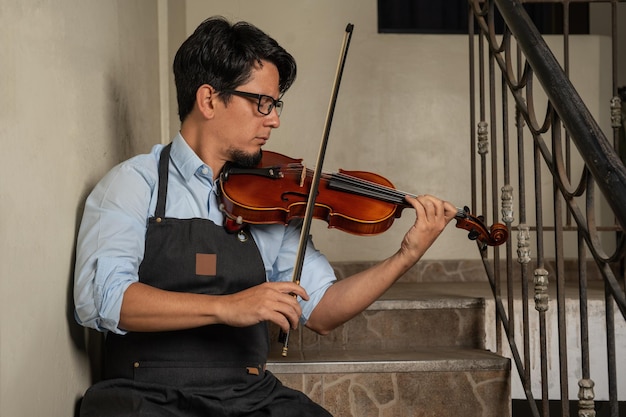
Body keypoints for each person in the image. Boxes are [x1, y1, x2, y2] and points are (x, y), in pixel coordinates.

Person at [74, 16, 457, 417]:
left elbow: (323, 309)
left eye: (275, 105)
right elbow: (103, 299)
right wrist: (228, 307)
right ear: (208, 100)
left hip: (248, 399)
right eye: (262, 103)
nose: (273, 119)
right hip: (146, 398)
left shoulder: (273, 200)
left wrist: (404, 256)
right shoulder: (134, 183)